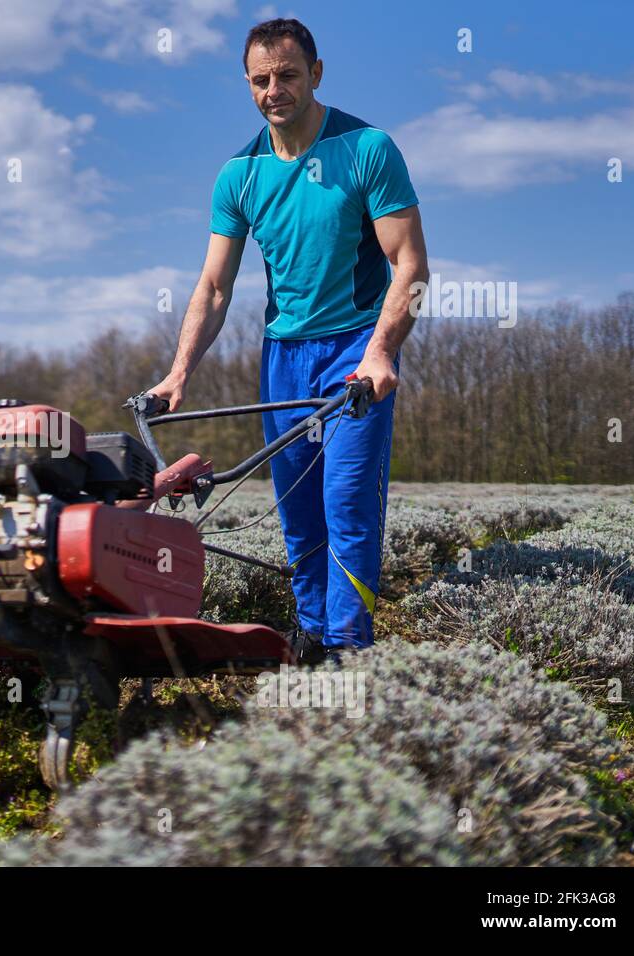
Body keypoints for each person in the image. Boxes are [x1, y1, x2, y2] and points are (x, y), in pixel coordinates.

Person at [147, 18, 429, 664]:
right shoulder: (238, 175)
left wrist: (381, 352)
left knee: (346, 503)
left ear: (317, 74)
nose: (274, 89)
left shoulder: (367, 148)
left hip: (355, 351)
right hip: (283, 362)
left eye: (288, 75)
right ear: (248, 86)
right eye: (260, 79)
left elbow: (412, 270)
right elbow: (215, 289)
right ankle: (308, 635)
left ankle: (349, 650)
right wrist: (178, 373)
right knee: (298, 513)